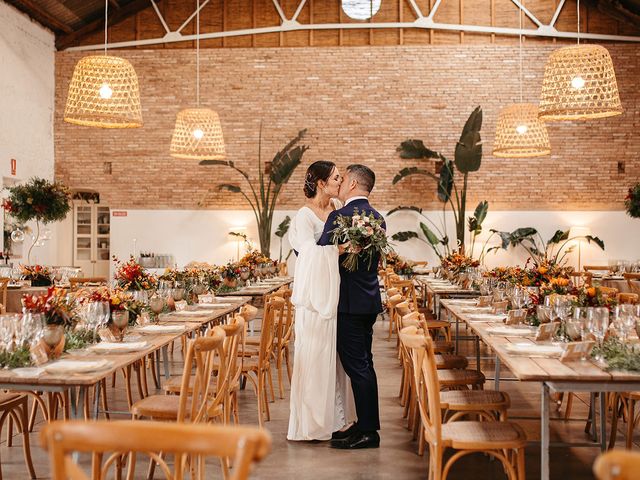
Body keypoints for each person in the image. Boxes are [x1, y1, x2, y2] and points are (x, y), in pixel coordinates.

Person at [287, 160, 356, 441]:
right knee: (315, 355)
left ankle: (337, 419)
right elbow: (305, 254)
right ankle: (314, 423)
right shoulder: (304, 216)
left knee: (336, 359)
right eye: (337, 178)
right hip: (314, 299)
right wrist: (337, 250)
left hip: (336, 292)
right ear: (320, 184)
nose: (341, 182)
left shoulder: (338, 210)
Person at [318, 164, 384, 450]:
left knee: (358, 367)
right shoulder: (378, 218)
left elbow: (320, 250)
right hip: (369, 302)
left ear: (354, 185)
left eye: (343, 180)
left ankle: (369, 431)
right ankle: (365, 423)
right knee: (364, 364)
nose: (340, 184)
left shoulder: (340, 216)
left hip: (348, 304)